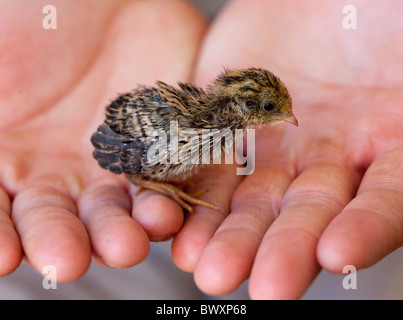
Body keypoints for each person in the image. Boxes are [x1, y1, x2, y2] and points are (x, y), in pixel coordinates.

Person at [0, 0, 402, 299]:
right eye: (270, 109)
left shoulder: (216, 133)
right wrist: (153, 181)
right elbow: (110, 145)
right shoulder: (175, 134)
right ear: (240, 108)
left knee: (325, 265)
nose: (286, 118)